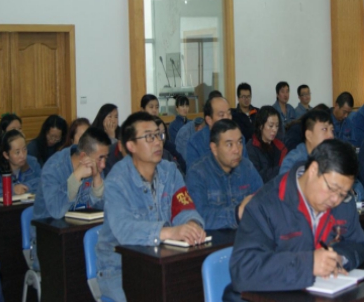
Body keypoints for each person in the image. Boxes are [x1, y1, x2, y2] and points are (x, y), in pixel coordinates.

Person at [226, 139, 364, 299]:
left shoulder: (344, 203)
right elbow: (243, 270)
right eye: (332, 189)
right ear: (313, 170)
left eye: (342, 194)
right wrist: (309, 265)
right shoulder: (265, 204)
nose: (335, 199)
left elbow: (358, 243)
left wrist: (338, 258)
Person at [96, 112, 205, 302]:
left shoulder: (170, 171)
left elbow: (184, 208)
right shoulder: (117, 180)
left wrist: (192, 225)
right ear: (131, 145)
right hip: (119, 268)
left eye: (158, 135)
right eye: (149, 137)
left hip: (162, 261)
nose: (157, 142)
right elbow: (124, 229)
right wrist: (169, 232)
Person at [31, 127, 110, 268]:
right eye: (100, 158)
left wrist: (97, 184)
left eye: (106, 158)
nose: (103, 165)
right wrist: (76, 176)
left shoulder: (96, 167)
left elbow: (103, 209)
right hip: (49, 242)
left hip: (81, 236)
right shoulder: (54, 167)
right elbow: (56, 211)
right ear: (83, 157)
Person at [187, 120, 263, 230]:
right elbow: (198, 217)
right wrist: (236, 214)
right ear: (214, 148)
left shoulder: (247, 167)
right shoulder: (197, 173)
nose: (237, 150)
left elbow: (263, 202)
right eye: (229, 144)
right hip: (213, 238)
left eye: (239, 142)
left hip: (246, 235)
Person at [186, 97, 249, 169]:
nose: (227, 118)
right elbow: (194, 174)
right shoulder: (195, 143)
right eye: (221, 115)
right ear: (209, 120)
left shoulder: (239, 138)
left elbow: (247, 169)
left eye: (229, 113)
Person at [279, 109, 334, 175]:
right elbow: (285, 180)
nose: (331, 135)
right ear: (309, 135)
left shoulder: (332, 156)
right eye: (324, 129)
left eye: (332, 130)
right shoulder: (293, 162)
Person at [0, 130, 41, 198]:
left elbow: (44, 181)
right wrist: (12, 188)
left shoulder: (32, 162)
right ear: (6, 155)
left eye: (24, 149)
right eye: (17, 152)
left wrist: (27, 186)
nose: (22, 155)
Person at [246, 106, 288, 182]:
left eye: (277, 126)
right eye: (271, 126)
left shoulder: (280, 147)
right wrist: (281, 169)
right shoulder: (251, 148)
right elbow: (256, 177)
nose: (274, 130)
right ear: (260, 126)